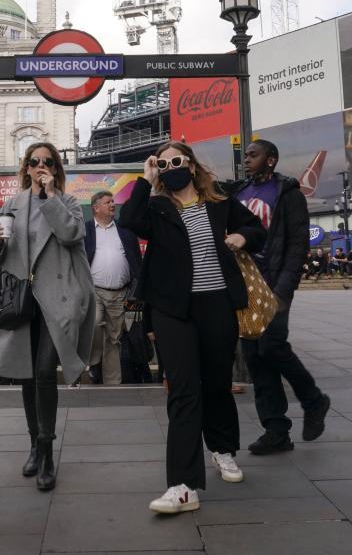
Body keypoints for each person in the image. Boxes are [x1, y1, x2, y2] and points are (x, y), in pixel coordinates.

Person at [120, 141, 265, 514]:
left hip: (216, 304)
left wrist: (242, 236)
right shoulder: (157, 207)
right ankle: (183, 486)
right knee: (183, 390)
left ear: (190, 163)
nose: (170, 167)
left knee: (216, 384)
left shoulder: (219, 203)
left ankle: (222, 450)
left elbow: (256, 227)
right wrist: (146, 178)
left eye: (175, 160)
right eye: (163, 163)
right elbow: (129, 221)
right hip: (172, 309)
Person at [0, 142, 95, 492]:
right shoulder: (12, 204)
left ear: (56, 169)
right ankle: (34, 443)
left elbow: (71, 235)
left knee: (46, 369)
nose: (40, 167)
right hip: (23, 299)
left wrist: (50, 196)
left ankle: (47, 452)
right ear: (26, 168)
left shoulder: (67, 203)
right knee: (27, 373)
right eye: (34, 162)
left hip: (58, 299)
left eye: (47, 162)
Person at [231, 140, 330, 456]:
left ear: (270, 160)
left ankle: (314, 400)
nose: (247, 159)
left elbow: (297, 245)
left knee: (272, 346)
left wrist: (283, 291)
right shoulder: (239, 192)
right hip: (245, 286)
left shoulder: (288, 193)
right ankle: (276, 430)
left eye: (253, 155)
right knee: (255, 358)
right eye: (246, 154)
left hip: (273, 285)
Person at [84, 190, 142, 385]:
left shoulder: (125, 230)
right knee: (94, 325)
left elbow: (135, 259)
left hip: (120, 294)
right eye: (108, 202)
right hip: (94, 291)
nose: (112, 205)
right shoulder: (85, 230)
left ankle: (112, 384)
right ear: (96, 208)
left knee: (113, 339)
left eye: (113, 201)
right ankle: (93, 361)